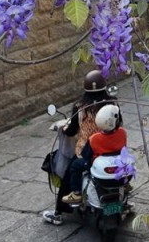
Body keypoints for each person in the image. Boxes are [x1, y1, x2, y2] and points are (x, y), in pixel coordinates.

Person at [43, 69, 116, 225]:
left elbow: (71, 131)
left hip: (87, 153)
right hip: (111, 151)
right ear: (104, 87)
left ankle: (59, 212)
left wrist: (63, 128)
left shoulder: (80, 107)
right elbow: (118, 123)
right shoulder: (112, 105)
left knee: (69, 175)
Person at [61, 104, 127, 204]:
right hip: (118, 164)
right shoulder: (122, 133)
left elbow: (85, 155)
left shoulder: (94, 139)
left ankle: (76, 192)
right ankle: (126, 185)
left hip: (99, 167)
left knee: (75, 165)